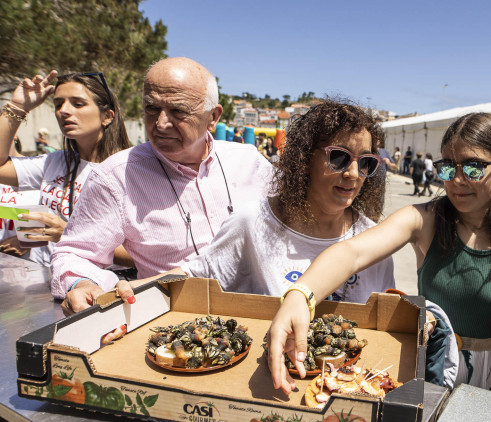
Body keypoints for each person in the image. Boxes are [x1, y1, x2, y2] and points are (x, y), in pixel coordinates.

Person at [112, 101, 458, 388]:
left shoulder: (370, 241)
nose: (353, 173)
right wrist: (133, 294)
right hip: (261, 386)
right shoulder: (252, 223)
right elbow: (192, 277)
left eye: (365, 163)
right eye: (339, 158)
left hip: (338, 394)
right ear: (304, 158)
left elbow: (378, 323)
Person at [269, 112, 491, 401]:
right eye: (447, 167)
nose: (456, 180)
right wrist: (301, 294)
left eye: (473, 167)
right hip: (434, 369)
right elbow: (353, 252)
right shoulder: (424, 220)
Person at [50, 57, 273, 313]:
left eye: (178, 111)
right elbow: (72, 253)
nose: (161, 123)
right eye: (151, 108)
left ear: (213, 117)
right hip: (175, 329)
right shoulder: (115, 176)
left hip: (264, 316)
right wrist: (82, 283)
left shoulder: (249, 161)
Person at [0, 70, 132, 267]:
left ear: (107, 116)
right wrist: (18, 106)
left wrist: (68, 235)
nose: (64, 111)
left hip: (95, 289)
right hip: (43, 280)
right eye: (58, 104)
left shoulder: (131, 171)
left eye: (78, 104)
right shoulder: (54, 162)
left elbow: (143, 256)